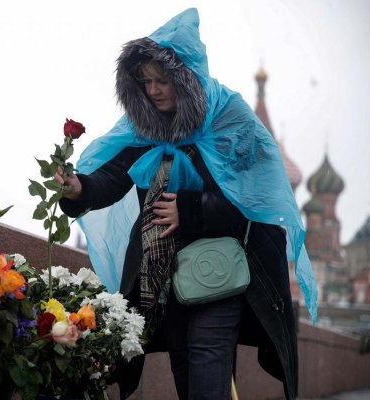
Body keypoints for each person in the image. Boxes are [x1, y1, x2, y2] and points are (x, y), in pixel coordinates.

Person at [55, 8, 317, 400]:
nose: (154, 90)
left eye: (163, 80)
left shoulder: (229, 118)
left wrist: (192, 212)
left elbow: (257, 197)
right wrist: (80, 189)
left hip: (219, 274)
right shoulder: (143, 126)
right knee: (186, 378)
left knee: (209, 380)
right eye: (146, 82)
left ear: (187, 77)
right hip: (164, 281)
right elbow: (113, 177)